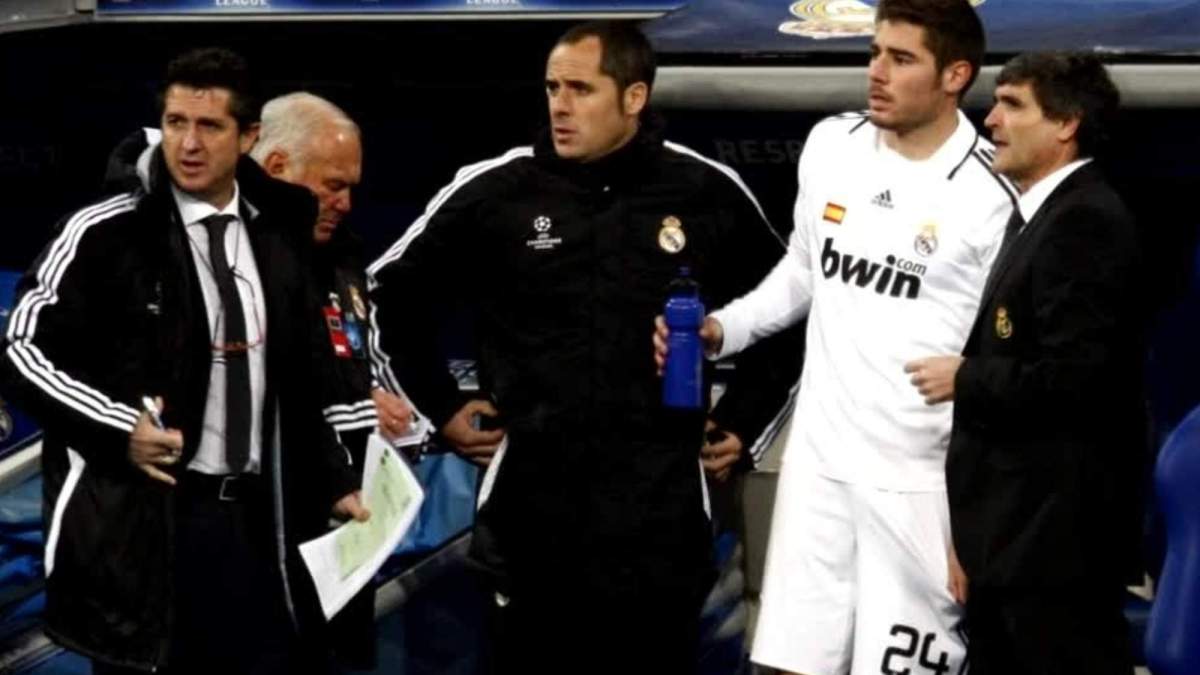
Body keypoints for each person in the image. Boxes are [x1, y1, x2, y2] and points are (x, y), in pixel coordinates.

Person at [368, 20, 799, 673]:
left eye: (580, 89)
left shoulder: (704, 191)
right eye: (551, 88)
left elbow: (791, 310)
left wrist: (743, 420)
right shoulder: (497, 189)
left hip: (662, 527)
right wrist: (441, 407)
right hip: (531, 526)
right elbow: (390, 293)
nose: (560, 106)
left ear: (633, 97)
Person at [654, 1, 1015, 673]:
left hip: (920, 489)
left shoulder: (994, 190)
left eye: (901, 59)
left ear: (955, 75)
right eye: (875, 52)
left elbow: (1002, 364)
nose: (876, 72)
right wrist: (719, 330)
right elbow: (803, 272)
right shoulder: (831, 144)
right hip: (817, 474)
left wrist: (979, 514)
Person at [0, 47, 367, 674]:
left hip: (258, 526)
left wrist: (334, 481)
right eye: (176, 123)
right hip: (150, 528)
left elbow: (303, 380)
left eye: (209, 126)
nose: (188, 144)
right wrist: (119, 430)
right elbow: (20, 348)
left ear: (248, 137)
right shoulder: (104, 232)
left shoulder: (280, 238)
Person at [906, 52, 1145, 674]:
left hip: (1055, 554)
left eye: (1013, 105)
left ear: (1066, 123)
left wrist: (965, 376)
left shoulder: (1086, 221)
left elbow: (1077, 380)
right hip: (1014, 548)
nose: (991, 122)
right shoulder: (1040, 217)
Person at [250, 91, 414, 671]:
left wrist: (394, 410)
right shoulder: (239, 261)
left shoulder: (344, 259)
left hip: (346, 540)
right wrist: (356, 407)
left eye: (352, 187)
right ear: (275, 169)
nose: (345, 203)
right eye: (333, 184)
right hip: (266, 540)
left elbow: (365, 364)